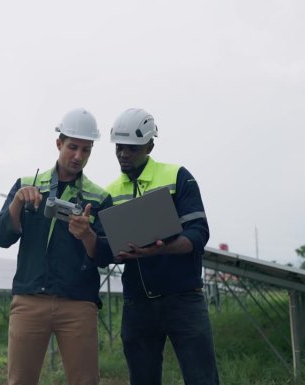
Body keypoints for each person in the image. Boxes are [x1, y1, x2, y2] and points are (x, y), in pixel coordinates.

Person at [0, 108, 113, 385]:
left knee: (85, 381)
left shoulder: (99, 197)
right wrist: (17, 204)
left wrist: (87, 235)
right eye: (72, 147)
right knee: (20, 381)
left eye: (86, 150)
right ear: (59, 143)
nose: (78, 156)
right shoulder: (26, 185)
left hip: (79, 304)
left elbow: (107, 255)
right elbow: (1, 237)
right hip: (29, 300)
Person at [104, 108, 219, 385]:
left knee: (201, 378)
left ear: (150, 145)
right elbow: (106, 248)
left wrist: (161, 249)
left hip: (183, 300)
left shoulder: (177, 176)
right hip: (138, 304)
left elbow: (198, 233)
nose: (123, 154)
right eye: (119, 147)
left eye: (132, 148)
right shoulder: (109, 192)